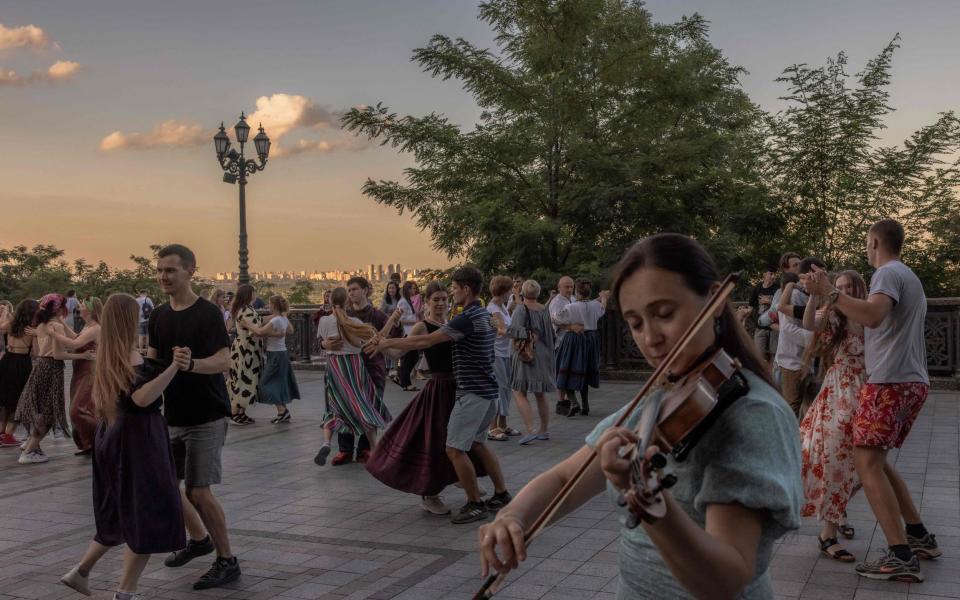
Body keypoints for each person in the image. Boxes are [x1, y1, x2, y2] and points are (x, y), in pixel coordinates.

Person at [478, 233, 802, 599]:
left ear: (713, 301)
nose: (650, 338)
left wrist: (652, 507)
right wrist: (513, 517)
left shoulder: (751, 413)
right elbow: (568, 475)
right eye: (635, 322)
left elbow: (725, 580)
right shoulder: (666, 393)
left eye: (664, 314)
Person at [805, 219, 938, 582]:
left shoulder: (886, 274)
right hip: (909, 382)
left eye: (867, 243)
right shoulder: (907, 274)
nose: (866, 249)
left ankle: (900, 555)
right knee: (877, 463)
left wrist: (831, 291)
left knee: (866, 465)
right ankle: (919, 535)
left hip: (889, 384)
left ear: (875, 241)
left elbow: (873, 316)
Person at [59, 294, 187, 600]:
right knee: (147, 514)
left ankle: (82, 572)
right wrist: (174, 368)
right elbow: (141, 399)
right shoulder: (128, 356)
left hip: (112, 435)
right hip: (138, 439)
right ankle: (125, 592)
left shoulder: (107, 353)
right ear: (130, 320)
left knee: (121, 509)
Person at [367, 267, 512, 525]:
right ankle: (500, 494)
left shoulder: (464, 319)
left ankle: (475, 504)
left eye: (453, 290)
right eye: (438, 297)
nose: (448, 297)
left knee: (454, 448)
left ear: (466, 289)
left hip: (471, 392)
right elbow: (497, 330)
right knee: (475, 444)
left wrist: (387, 342)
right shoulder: (485, 315)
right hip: (483, 391)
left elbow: (427, 342)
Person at [148, 244, 238, 590]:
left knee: (199, 492)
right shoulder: (158, 315)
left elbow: (224, 360)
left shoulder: (207, 314)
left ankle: (227, 560)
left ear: (190, 271)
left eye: (170, 270)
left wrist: (191, 364)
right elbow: (154, 362)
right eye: (159, 270)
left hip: (207, 415)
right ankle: (199, 540)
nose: (163, 277)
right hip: (171, 416)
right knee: (166, 486)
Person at [366, 281, 472, 515]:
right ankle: (430, 494)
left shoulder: (453, 322)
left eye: (444, 298)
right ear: (426, 303)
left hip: (458, 387)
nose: (442, 303)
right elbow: (399, 353)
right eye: (436, 299)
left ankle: (458, 477)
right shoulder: (422, 327)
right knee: (434, 441)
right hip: (438, 390)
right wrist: (382, 345)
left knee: (458, 439)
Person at [795, 270, 867, 563]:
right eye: (839, 287)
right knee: (836, 459)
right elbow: (809, 322)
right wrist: (814, 294)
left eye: (849, 286)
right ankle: (828, 533)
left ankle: (836, 511)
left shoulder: (870, 311)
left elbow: (867, 334)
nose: (844, 290)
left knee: (868, 468)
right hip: (839, 390)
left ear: (860, 288)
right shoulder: (833, 312)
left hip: (866, 389)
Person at [316, 287, 392, 464]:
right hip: (354, 367)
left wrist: (325, 345)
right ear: (347, 302)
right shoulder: (355, 321)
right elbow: (364, 343)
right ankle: (373, 448)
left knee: (334, 408)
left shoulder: (324, 321)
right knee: (363, 405)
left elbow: (321, 343)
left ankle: (327, 442)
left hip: (334, 367)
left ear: (329, 301)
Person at [16, 293, 85, 463]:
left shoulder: (42, 324)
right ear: (60, 308)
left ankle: (31, 446)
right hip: (51, 369)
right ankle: (30, 450)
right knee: (49, 411)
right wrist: (83, 356)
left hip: (40, 367)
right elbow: (59, 354)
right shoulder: (55, 326)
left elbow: (74, 338)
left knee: (39, 408)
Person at [44, 297, 103, 455]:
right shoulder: (87, 326)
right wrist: (62, 324)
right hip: (80, 370)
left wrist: (52, 334)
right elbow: (75, 338)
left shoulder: (96, 328)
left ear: (90, 310)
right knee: (88, 407)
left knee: (76, 410)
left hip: (89, 371)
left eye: (82, 305)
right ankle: (89, 444)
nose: (79, 308)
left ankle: (104, 435)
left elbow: (74, 345)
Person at [508, 280, 557, 446]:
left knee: (518, 391)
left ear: (523, 292)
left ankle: (530, 430)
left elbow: (515, 331)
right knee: (540, 393)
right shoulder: (544, 309)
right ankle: (544, 430)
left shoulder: (521, 309)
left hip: (526, 354)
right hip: (543, 353)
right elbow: (551, 334)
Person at [554, 280, 609, 417]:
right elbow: (602, 309)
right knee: (583, 372)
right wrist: (603, 298)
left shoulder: (571, 307)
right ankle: (585, 406)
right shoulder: (595, 305)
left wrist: (569, 326)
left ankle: (574, 403)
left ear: (576, 292)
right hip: (591, 339)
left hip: (574, 339)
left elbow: (556, 319)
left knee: (563, 371)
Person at [248, 295, 299, 424]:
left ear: (274, 306)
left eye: (269, 304)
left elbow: (259, 333)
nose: (268, 306)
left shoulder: (276, 320)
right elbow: (291, 331)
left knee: (265, 383)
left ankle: (282, 411)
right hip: (282, 353)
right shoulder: (283, 318)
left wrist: (248, 325)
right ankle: (283, 412)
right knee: (277, 382)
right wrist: (277, 333)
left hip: (275, 354)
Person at [0, 299, 38, 447]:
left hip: (7, 360)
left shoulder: (11, 324)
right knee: (18, 401)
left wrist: (5, 313)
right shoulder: (32, 328)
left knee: (5, 399)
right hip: (22, 363)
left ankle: (2, 433)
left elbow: (1, 328)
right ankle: (9, 436)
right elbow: (36, 352)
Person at [486, 276, 519, 441]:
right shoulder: (493, 309)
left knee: (506, 389)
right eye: (509, 291)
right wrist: (520, 333)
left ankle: (503, 424)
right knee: (498, 388)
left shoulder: (503, 307)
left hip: (507, 353)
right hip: (496, 353)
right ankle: (492, 428)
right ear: (503, 292)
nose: (511, 294)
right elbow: (501, 330)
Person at [227, 284, 264, 425]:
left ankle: (241, 413)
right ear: (249, 295)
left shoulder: (243, 309)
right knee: (245, 380)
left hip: (243, 349)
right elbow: (257, 329)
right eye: (254, 293)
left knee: (242, 378)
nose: (255, 295)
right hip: (247, 351)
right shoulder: (247, 311)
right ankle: (234, 412)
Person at [549, 276, 575, 415]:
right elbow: (556, 319)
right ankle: (561, 402)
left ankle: (569, 400)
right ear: (559, 287)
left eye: (571, 286)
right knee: (561, 370)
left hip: (573, 341)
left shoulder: (574, 299)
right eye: (567, 287)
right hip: (561, 341)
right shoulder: (556, 301)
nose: (570, 289)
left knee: (569, 371)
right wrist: (571, 326)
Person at [749, 266, 780, 362]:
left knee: (774, 355)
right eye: (771, 274)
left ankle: (772, 376)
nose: (773, 276)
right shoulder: (757, 288)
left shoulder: (777, 289)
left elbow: (782, 306)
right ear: (764, 274)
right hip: (760, 326)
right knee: (758, 354)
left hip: (774, 326)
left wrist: (769, 302)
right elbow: (752, 305)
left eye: (774, 274)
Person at [395, 281, 421, 391]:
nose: (414, 291)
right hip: (407, 333)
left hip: (412, 332)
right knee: (410, 358)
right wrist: (414, 321)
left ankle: (401, 377)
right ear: (407, 289)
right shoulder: (402, 302)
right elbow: (399, 319)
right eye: (412, 289)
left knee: (413, 357)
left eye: (414, 289)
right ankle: (405, 382)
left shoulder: (408, 301)